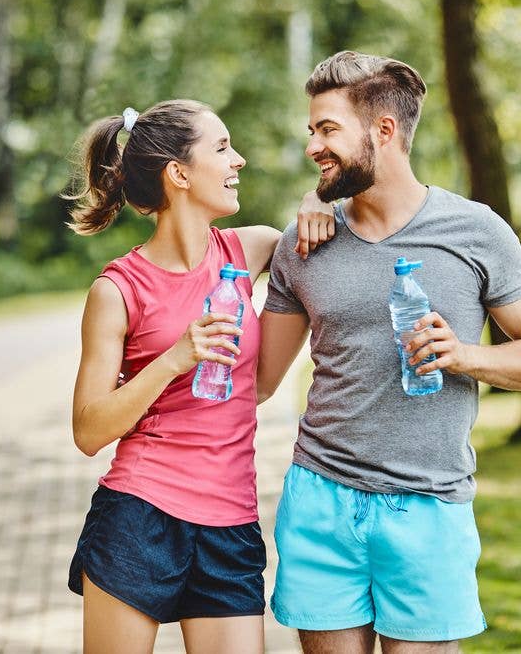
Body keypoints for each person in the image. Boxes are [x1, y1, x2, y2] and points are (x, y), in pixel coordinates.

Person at [256, 51, 521, 653]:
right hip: (322, 498)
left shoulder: (475, 230)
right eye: (312, 131)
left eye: (327, 130)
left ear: (384, 131)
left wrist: (464, 356)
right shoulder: (304, 243)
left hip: (428, 506)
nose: (313, 147)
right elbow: (258, 382)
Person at [65, 99, 333, 654]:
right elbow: (89, 432)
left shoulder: (251, 248)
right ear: (179, 174)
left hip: (231, 526)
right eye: (222, 147)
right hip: (139, 517)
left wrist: (314, 198)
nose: (239, 160)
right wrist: (173, 359)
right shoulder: (117, 290)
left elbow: (329, 229)